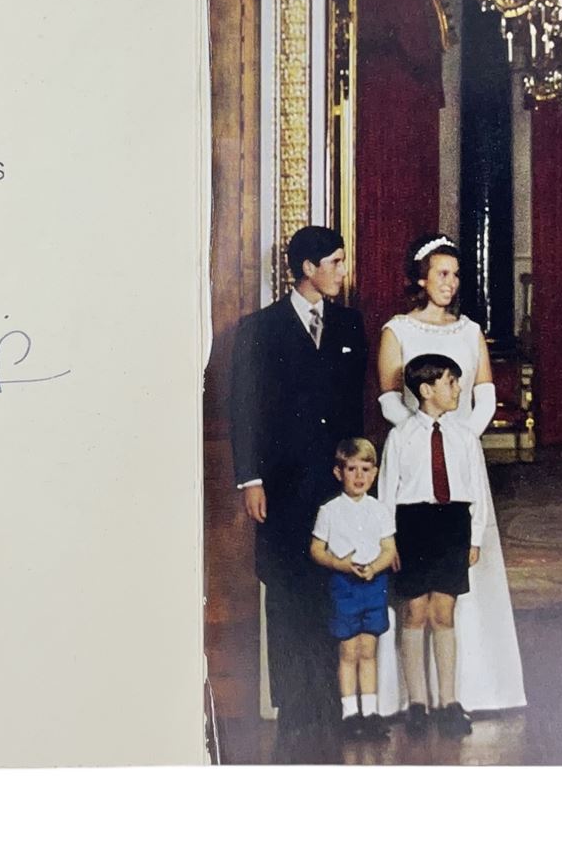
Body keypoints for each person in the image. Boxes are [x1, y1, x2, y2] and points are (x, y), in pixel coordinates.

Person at [229, 225, 369, 760]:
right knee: (288, 594)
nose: (342, 270)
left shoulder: (351, 324)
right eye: (334, 261)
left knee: (331, 590)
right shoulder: (259, 330)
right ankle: (294, 707)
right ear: (307, 268)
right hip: (282, 489)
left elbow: (354, 412)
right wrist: (251, 479)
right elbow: (244, 407)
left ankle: (328, 705)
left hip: (335, 489)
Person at [373, 235, 526, 723]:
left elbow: (483, 393)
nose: (450, 283)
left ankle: (464, 694)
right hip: (417, 480)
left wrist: (457, 434)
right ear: (421, 278)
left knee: (450, 606)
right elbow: (390, 399)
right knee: (415, 608)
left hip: (455, 478)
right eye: (441, 274)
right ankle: (415, 700)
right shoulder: (396, 330)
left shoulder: (469, 330)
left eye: (456, 275)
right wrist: (425, 432)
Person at [377, 354, 490, 737]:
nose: (458, 389)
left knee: (444, 612)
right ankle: (417, 705)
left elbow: (477, 491)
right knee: (415, 612)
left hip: (452, 524)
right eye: (451, 383)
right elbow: (387, 492)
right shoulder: (401, 437)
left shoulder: (463, 436)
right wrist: (388, 541)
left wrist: (474, 538)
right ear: (426, 390)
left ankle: (449, 702)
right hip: (412, 526)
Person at [310, 438, 398, 742]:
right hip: (344, 586)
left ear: (374, 474)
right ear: (339, 473)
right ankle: (349, 714)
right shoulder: (330, 511)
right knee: (349, 650)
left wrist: (375, 567)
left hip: (374, 586)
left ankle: (370, 712)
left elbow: (389, 549)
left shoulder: (380, 510)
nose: (359, 476)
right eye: (351, 469)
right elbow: (316, 549)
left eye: (365, 469)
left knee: (368, 649)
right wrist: (339, 564)